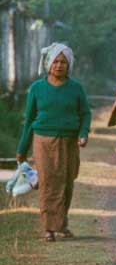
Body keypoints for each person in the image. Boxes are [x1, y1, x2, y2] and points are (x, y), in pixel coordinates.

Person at [15, 44, 91, 242]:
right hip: (43, 140)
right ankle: (49, 229)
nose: (59, 66)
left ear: (69, 65)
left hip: (69, 140)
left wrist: (83, 134)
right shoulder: (37, 88)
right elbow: (29, 119)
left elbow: (85, 114)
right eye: (55, 61)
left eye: (63, 62)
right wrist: (22, 148)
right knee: (48, 184)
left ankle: (61, 225)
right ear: (48, 63)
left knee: (67, 182)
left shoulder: (76, 88)